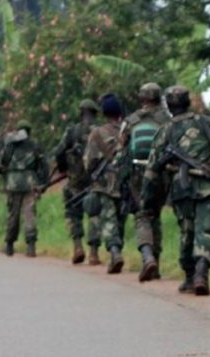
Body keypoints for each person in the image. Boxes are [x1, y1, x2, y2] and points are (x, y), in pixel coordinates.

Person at [141, 85, 210, 295]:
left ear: (169, 107)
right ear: (188, 103)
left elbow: (152, 169)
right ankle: (200, 273)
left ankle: (191, 275)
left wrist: (147, 199)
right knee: (207, 231)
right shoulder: (205, 122)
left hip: (182, 188)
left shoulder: (165, 130)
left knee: (187, 232)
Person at [119, 82, 171, 282]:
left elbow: (121, 145)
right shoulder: (167, 119)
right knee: (155, 213)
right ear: (159, 98)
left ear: (142, 99)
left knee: (142, 215)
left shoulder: (131, 120)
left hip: (137, 172)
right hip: (161, 170)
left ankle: (148, 257)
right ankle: (155, 263)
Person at [54, 99, 102, 265]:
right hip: (96, 181)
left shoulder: (72, 131)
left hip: (75, 181)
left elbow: (59, 152)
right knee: (95, 214)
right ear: (95, 114)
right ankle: (94, 253)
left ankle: (77, 247)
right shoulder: (100, 131)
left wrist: (63, 168)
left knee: (72, 213)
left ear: (81, 112)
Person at [84, 93, 127, 274]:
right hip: (125, 182)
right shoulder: (127, 132)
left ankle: (115, 252)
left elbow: (88, 162)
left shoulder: (97, 133)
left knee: (108, 220)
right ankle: (117, 251)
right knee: (120, 219)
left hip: (104, 184)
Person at [0, 120, 49, 257]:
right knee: (29, 214)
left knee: (13, 214)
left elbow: (2, 164)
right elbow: (44, 165)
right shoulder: (35, 145)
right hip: (30, 183)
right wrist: (44, 183)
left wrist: (5, 177)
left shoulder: (10, 145)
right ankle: (31, 246)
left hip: (13, 183)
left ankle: (9, 245)